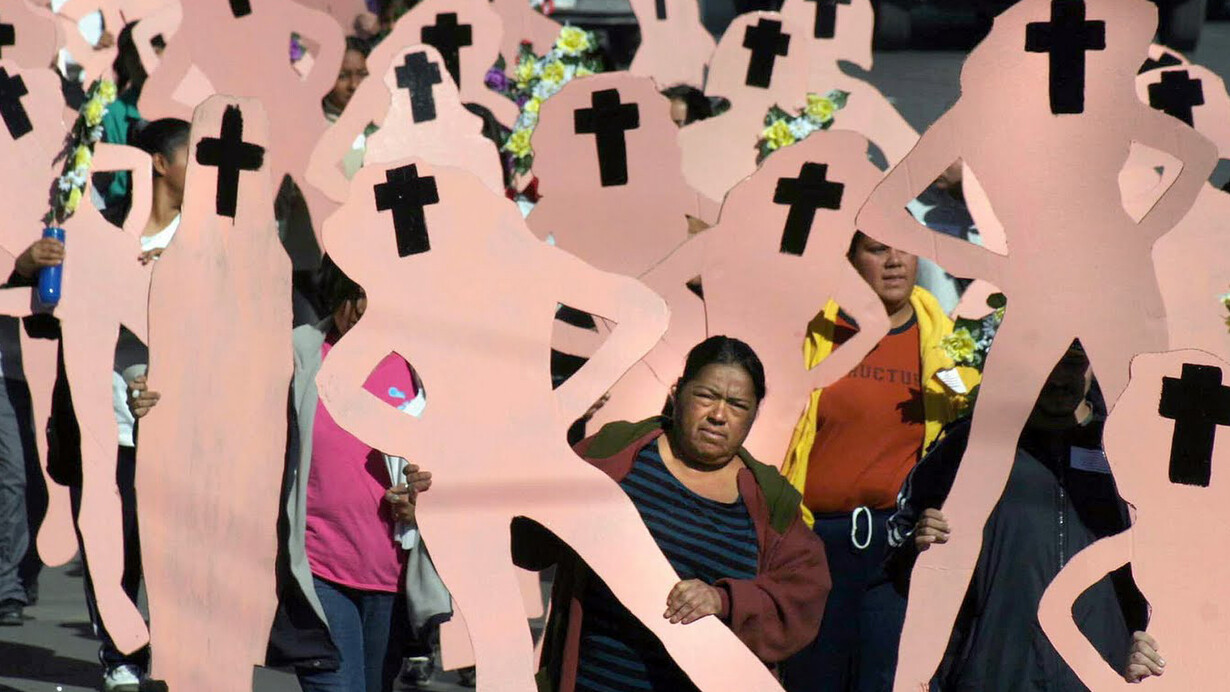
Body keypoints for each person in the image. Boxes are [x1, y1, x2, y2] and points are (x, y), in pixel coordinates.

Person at [515, 336, 831, 692]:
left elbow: (804, 593)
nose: (718, 415)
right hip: (594, 680)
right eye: (706, 396)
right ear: (678, 392)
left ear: (755, 413)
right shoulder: (614, 455)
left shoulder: (769, 499)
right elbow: (527, 535)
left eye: (737, 405)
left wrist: (724, 600)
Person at [885, 342, 1165, 690]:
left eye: (1074, 364)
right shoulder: (971, 446)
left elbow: (1169, 568)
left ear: (1093, 365)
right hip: (994, 672)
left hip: (1100, 672)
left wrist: (1153, 639)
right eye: (1050, 363)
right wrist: (918, 545)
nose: (1061, 379)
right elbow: (898, 566)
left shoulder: (1128, 451)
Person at [781, 232, 977, 692]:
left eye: (904, 247)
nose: (894, 261)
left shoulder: (945, 343)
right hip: (812, 540)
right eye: (876, 249)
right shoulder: (817, 328)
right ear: (849, 259)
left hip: (896, 548)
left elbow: (962, 427)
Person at [259, 258, 448, 692]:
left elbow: (454, 458)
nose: (362, 308)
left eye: (374, 296)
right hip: (319, 573)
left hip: (392, 579)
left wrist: (427, 493)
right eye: (353, 294)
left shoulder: (418, 365)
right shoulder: (301, 351)